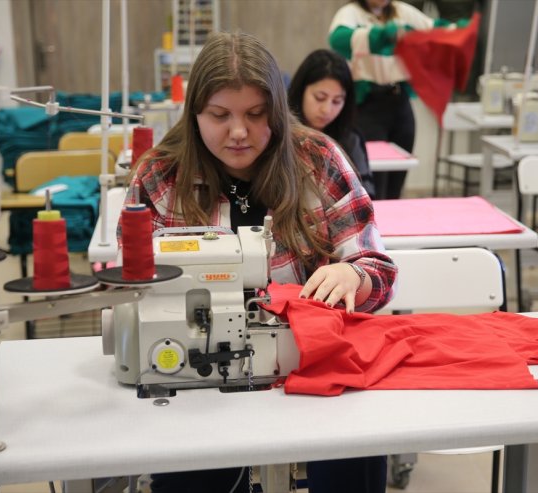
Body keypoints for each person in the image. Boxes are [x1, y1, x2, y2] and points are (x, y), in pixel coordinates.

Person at [122, 31, 397, 493]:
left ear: (277, 110)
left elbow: (379, 269)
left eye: (255, 114)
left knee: (357, 454)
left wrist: (354, 274)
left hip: (309, 371)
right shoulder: (158, 176)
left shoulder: (318, 161)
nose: (238, 132)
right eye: (219, 115)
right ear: (194, 115)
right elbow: (134, 290)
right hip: (197, 381)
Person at [328, 0, 454, 199]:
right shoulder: (350, 13)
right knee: (373, 182)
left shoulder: (402, 11)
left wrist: (455, 31)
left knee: (398, 180)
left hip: (400, 103)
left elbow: (435, 30)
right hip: (368, 106)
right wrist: (383, 35)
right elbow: (338, 40)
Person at [288, 49, 377, 199]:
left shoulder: (350, 139)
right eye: (319, 97)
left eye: (337, 101)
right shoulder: (279, 133)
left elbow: (367, 197)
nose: (327, 110)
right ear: (300, 90)